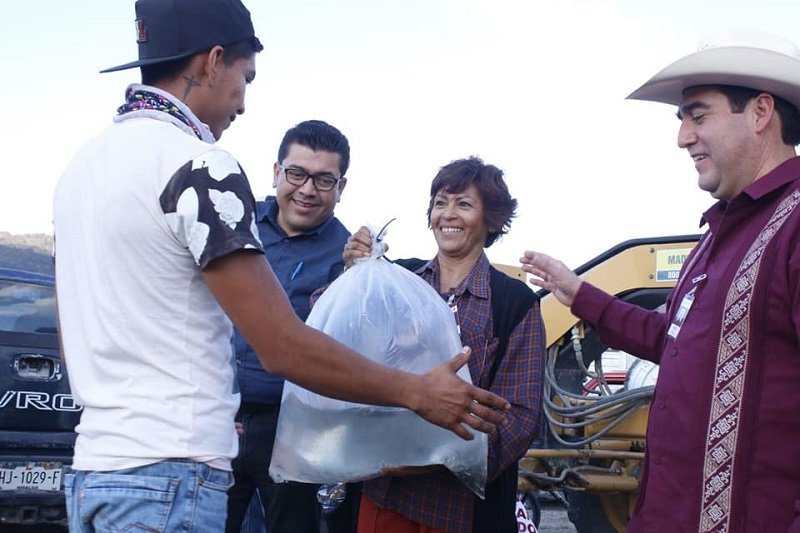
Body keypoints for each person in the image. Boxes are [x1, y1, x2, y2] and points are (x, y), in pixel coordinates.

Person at [52, 1, 510, 531]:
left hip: (93, 472)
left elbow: (74, 344)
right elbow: (281, 346)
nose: (242, 103)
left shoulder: (81, 169)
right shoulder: (199, 166)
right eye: (244, 78)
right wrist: (418, 392)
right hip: (168, 473)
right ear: (211, 61)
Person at [520, 30, 800, 532]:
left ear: (760, 113)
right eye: (682, 120)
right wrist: (578, 293)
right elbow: (670, 338)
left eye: (698, 115)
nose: (683, 137)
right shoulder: (713, 239)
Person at [345, 156, 546, 532]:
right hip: (385, 492)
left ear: (493, 219)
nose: (448, 214)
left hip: (460, 509)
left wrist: (439, 457)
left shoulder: (513, 302)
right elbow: (337, 331)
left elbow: (520, 416)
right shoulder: (396, 278)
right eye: (440, 202)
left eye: (464, 204)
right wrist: (354, 274)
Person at [226, 119, 352, 533]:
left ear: (341, 187)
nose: (307, 189)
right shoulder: (233, 223)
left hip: (293, 429)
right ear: (276, 172)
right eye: (296, 173)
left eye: (323, 179)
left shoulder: (348, 258)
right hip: (217, 417)